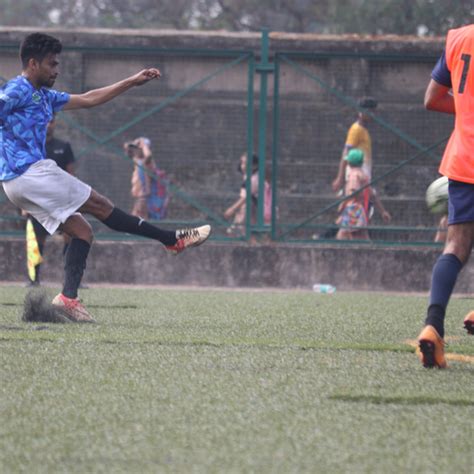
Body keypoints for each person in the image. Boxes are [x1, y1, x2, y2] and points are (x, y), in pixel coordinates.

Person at [0, 32, 210, 323]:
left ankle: (67, 299)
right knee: (100, 205)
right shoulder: (17, 90)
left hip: (17, 183)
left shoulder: (43, 95)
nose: (57, 70)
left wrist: (130, 82)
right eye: (51, 64)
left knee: (83, 231)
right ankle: (171, 239)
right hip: (29, 173)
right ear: (33, 63)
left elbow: (88, 99)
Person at [417, 24, 474, 369]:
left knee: (455, 247)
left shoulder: (459, 38)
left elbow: (432, 98)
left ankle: (433, 327)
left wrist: (467, 111)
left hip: (463, 159)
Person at [25, 115, 77, 286]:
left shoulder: (64, 146)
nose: (48, 124)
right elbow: (25, 175)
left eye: (51, 121)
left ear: (55, 124)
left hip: (61, 202)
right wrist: (24, 203)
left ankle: (70, 280)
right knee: (37, 240)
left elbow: (70, 175)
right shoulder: (31, 146)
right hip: (38, 202)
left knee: (70, 236)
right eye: (45, 121)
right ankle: (33, 280)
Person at [335, 148, 391, 240]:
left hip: (353, 209)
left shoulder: (354, 175)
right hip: (361, 209)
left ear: (349, 163)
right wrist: (383, 211)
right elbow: (372, 195)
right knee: (360, 236)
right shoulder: (364, 176)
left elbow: (353, 191)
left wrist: (344, 203)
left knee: (343, 235)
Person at [332, 96, 378, 193]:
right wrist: (340, 177)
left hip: (364, 176)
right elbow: (346, 152)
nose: (373, 115)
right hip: (356, 177)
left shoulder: (364, 131)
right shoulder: (356, 129)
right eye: (371, 112)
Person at [223, 152, 272, 237]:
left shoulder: (254, 179)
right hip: (253, 208)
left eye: (245, 163)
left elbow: (245, 198)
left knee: (237, 230)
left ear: (254, 166)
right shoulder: (251, 176)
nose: (242, 165)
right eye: (242, 162)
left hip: (253, 208)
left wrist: (232, 209)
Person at [125, 137, 169, 220]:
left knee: (137, 223)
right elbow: (127, 150)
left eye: (138, 148)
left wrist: (144, 145)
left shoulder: (147, 163)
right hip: (139, 198)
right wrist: (132, 144)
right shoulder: (137, 161)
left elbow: (148, 156)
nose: (135, 150)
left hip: (144, 199)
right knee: (133, 224)